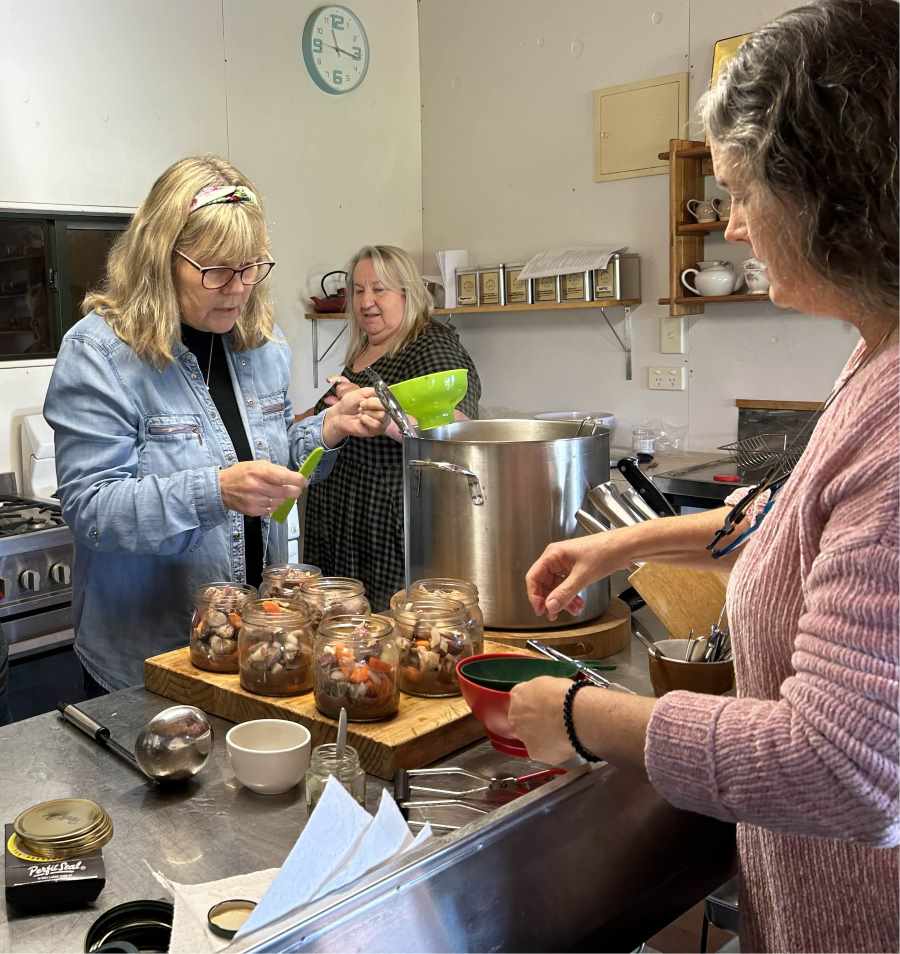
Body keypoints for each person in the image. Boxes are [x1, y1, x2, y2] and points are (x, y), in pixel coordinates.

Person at [509, 2, 898, 951]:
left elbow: (844, 770)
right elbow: (794, 524)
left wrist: (584, 715)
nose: (731, 224)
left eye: (740, 192)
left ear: (825, 191)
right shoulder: (875, 352)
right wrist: (623, 544)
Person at [44, 156, 386, 693]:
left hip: (256, 645)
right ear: (161, 259)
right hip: (149, 656)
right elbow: (91, 509)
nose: (238, 288)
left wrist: (326, 430)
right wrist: (215, 491)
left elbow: (271, 467)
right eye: (217, 271)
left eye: (251, 268)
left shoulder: (262, 344)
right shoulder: (100, 353)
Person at [303, 245, 481, 611]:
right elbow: (326, 409)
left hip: (390, 520)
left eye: (379, 289)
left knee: (391, 625)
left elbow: (456, 429)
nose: (366, 301)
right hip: (342, 517)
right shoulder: (365, 350)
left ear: (406, 293)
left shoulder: (428, 345)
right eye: (358, 290)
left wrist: (386, 419)